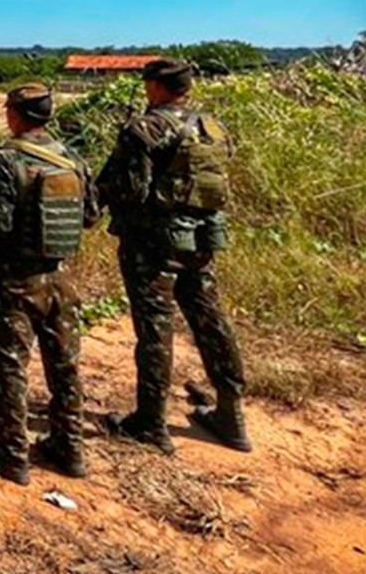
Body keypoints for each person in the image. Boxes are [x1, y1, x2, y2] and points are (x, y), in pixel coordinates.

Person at [97, 59, 251, 454]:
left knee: (155, 328)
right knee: (211, 321)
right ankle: (232, 414)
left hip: (154, 244)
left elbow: (129, 189)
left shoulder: (144, 128)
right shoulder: (213, 127)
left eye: (148, 84)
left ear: (158, 87)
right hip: (202, 241)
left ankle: (150, 421)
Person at [0, 84, 100, 485]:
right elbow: (90, 216)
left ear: (16, 114)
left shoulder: (5, 160)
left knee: (8, 365)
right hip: (62, 276)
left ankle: (11, 455)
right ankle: (70, 449)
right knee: (65, 364)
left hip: (16, 279)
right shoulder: (72, 158)